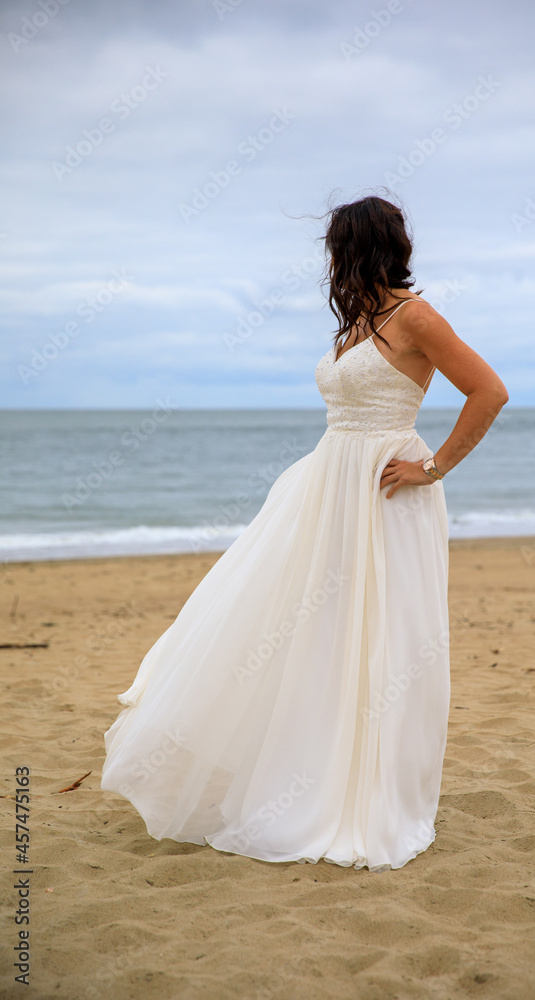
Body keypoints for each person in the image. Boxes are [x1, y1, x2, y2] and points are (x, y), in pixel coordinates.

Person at [100, 194, 509, 873]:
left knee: (383, 639)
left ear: (360, 247)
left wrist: (432, 468)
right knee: (307, 630)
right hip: (328, 487)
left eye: (336, 246)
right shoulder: (355, 324)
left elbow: (488, 391)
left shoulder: (416, 317)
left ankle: (373, 794)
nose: (329, 259)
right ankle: (312, 774)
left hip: (384, 492)